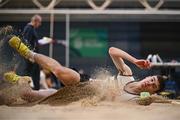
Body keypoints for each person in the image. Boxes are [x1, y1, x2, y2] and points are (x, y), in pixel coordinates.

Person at [7, 36, 167, 103]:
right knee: (60, 71)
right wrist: (134, 61)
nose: (149, 83)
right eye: (151, 79)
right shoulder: (128, 74)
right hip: (84, 82)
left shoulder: (139, 100)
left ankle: (22, 81)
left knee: (29, 95)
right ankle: (28, 52)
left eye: (153, 86)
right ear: (147, 76)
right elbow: (112, 50)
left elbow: (161, 100)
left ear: (152, 92)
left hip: (76, 98)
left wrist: (154, 96)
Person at [16, 15, 42, 90]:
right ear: (36, 21)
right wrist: (29, 55)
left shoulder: (32, 29)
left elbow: (32, 42)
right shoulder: (29, 29)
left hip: (33, 56)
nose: (40, 24)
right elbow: (26, 42)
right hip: (30, 56)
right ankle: (24, 89)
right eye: (39, 22)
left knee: (34, 73)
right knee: (28, 73)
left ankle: (34, 89)